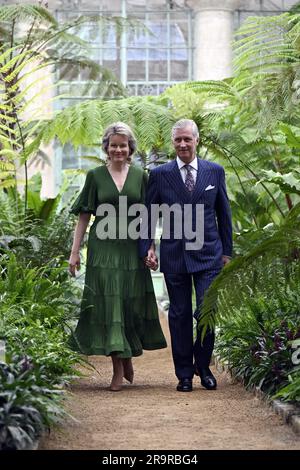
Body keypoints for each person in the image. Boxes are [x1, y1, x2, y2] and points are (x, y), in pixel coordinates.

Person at [68, 122, 167, 392]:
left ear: (130, 148)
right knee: (110, 302)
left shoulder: (141, 176)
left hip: (133, 248)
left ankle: (126, 352)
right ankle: (118, 367)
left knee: (129, 304)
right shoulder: (95, 176)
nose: (118, 149)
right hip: (104, 249)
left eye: (123, 145)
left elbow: (150, 216)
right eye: (114, 145)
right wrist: (75, 252)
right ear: (106, 148)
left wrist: (151, 247)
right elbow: (84, 216)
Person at [140, 119, 232, 392]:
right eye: (178, 140)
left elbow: (224, 213)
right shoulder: (160, 175)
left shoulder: (214, 172)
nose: (182, 144)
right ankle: (183, 374)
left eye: (187, 139)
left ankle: (202, 367)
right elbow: (148, 215)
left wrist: (227, 252)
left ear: (196, 140)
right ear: (173, 143)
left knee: (206, 311)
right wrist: (148, 246)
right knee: (179, 314)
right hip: (175, 254)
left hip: (209, 255)